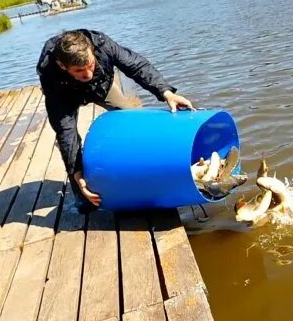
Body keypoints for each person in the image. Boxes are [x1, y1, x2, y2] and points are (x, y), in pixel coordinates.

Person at [36, 29, 195, 213]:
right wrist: (77, 174)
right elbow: (66, 130)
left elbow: (137, 66)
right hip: (65, 93)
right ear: (62, 66)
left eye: (90, 64)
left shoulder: (103, 45)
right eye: (79, 70)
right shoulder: (51, 73)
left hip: (102, 85)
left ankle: (135, 170)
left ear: (93, 51)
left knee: (132, 123)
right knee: (71, 152)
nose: (87, 73)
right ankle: (81, 191)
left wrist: (166, 92)